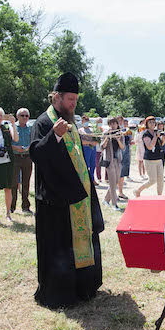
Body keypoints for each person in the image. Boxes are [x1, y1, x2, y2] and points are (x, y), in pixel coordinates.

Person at [29, 72, 104, 309]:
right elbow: (36, 154)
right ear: (57, 97)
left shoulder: (70, 121)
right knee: (59, 248)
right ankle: (59, 294)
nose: (74, 104)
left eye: (75, 99)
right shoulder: (43, 122)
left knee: (81, 244)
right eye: (70, 99)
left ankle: (84, 289)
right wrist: (54, 136)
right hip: (55, 200)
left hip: (78, 196)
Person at [134, 116, 165, 197]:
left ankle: (160, 196)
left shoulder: (156, 131)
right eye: (150, 122)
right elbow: (150, 147)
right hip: (149, 159)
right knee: (152, 180)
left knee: (160, 180)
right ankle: (138, 190)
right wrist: (156, 136)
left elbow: (160, 144)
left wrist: (164, 139)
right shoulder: (146, 134)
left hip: (158, 158)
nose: (152, 124)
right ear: (147, 124)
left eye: (153, 122)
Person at [11, 107, 33, 214]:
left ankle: (25, 206)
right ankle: (12, 206)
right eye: (22, 115)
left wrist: (30, 147)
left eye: (26, 116)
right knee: (14, 183)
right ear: (17, 116)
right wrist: (15, 147)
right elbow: (8, 144)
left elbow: (34, 140)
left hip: (27, 157)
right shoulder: (12, 127)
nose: (24, 117)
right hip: (15, 158)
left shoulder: (31, 127)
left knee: (26, 182)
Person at [101, 117, 125, 209]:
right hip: (109, 160)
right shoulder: (105, 133)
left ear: (117, 124)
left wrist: (118, 139)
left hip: (118, 160)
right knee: (112, 182)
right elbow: (102, 147)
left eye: (114, 123)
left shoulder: (120, 133)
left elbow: (123, 147)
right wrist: (107, 137)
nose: (112, 125)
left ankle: (106, 200)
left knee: (115, 182)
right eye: (110, 124)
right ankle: (114, 204)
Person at [79, 115, 99, 185]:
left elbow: (96, 139)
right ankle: (85, 180)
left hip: (92, 149)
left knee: (93, 165)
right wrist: (90, 142)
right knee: (86, 165)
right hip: (85, 148)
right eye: (85, 121)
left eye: (87, 121)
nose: (86, 123)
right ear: (82, 122)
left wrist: (96, 141)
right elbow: (81, 141)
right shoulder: (80, 130)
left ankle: (92, 179)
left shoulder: (92, 130)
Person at [118, 119, 132, 199]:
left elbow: (129, 140)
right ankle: (112, 195)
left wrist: (130, 141)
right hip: (118, 152)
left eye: (121, 121)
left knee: (122, 173)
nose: (121, 123)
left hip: (126, 150)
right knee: (116, 173)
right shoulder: (114, 131)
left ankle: (120, 192)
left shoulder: (126, 130)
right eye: (119, 121)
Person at [94, 117, 105, 183]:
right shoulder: (94, 130)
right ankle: (99, 177)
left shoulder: (103, 130)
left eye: (101, 122)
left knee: (105, 164)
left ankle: (106, 178)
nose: (100, 123)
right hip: (96, 149)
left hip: (103, 149)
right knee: (97, 164)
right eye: (98, 122)